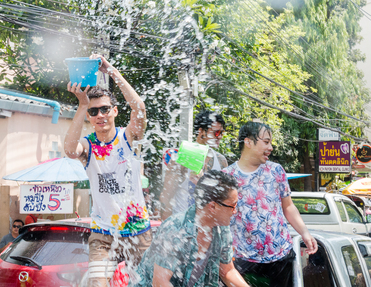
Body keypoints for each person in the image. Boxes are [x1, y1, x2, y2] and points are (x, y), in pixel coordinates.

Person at [64, 54, 151, 287]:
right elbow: (70, 150)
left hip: (137, 229)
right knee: (97, 283)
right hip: (103, 232)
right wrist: (82, 105)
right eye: (93, 112)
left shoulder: (128, 137)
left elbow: (139, 108)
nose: (99, 115)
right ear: (89, 118)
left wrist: (111, 70)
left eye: (104, 109)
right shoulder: (89, 144)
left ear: (114, 111)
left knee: (147, 283)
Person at [223, 121, 318, 286]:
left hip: (281, 257)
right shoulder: (227, 177)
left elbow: (288, 206)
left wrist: (305, 233)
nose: (271, 147)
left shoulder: (276, 171)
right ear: (248, 142)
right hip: (244, 261)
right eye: (266, 142)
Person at [130, 170, 249, 287]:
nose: (235, 211)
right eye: (232, 206)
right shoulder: (175, 229)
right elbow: (160, 283)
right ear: (212, 206)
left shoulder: (222, 228)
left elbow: (227, 271)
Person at [160, 111, 228, 220]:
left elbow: (225, 198)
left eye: (222, 133)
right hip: (183, 226)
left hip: (209, 226)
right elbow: (166, 196)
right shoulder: (183, 157)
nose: (220, 137)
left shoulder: (220, 160)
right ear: (201, 131)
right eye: (216, 133)